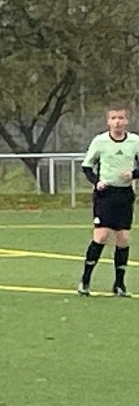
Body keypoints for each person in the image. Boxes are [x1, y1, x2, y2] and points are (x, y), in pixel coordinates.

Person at [77, 104, 139, 296]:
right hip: (105, 195)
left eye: (121, 118)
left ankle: (119, 285)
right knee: (102, 235)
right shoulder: (100, 141)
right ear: (108, 121)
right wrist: (97, 182)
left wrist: (133, 174)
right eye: (113, 118)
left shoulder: (135, 141)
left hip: (125, 194)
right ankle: (85, 281)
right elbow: (87, 166)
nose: (117, 122)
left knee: (123, 238)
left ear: (126, 121)